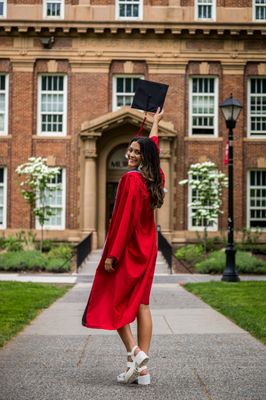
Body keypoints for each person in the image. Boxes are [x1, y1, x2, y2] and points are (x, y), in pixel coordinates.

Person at [82, 107, 165, 385]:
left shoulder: (130, 179)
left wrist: (112, 254)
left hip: (129, 249)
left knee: (112, 300)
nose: (129, 154)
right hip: (148, 247)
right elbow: (153, 147)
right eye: (129, 150)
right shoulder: (156, 177)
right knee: (142, 303)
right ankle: (142, 371)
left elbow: (123, 220)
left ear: (143, 158)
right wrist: (155, 123)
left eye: (135, 152)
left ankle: (135, 352)